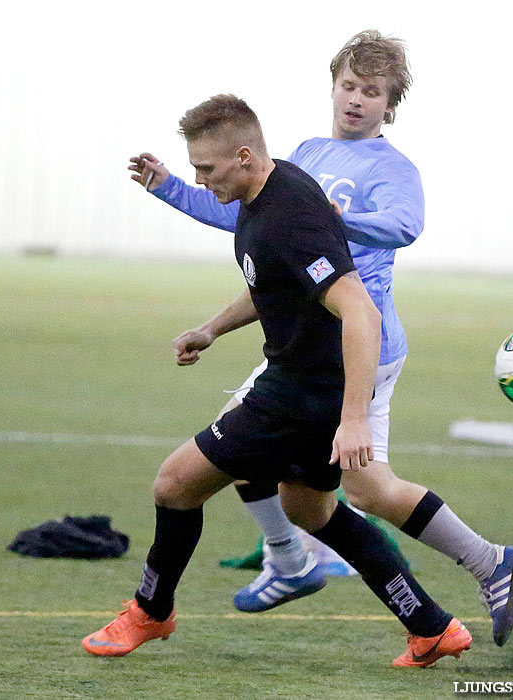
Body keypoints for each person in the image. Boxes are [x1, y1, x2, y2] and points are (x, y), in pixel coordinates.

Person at [128, 30, 513, 647]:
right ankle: (472, 566)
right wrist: (170, 188)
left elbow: (406, 226)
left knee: (240, 454)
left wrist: (343, 221)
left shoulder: (392, 168)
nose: (357, 100)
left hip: (354, 344)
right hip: (309, 346)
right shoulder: (308, 153)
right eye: (349, 86)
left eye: (373, 92)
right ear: (333, 88)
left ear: (390, 105)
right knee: (348, 486)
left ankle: (291, 561)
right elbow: (248, 217)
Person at [83, 94, 474, 666]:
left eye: (207, 170)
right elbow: (273, 283)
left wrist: (354, 419)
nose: (202, 180)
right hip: (312, 388)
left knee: (174, 484)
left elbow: (360, 311)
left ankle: (150, 611)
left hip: (299, 393)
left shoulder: (289, 217)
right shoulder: (273, 187)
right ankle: (431, 626)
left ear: (243, 156)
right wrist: (213, 328)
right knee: (311, 511)